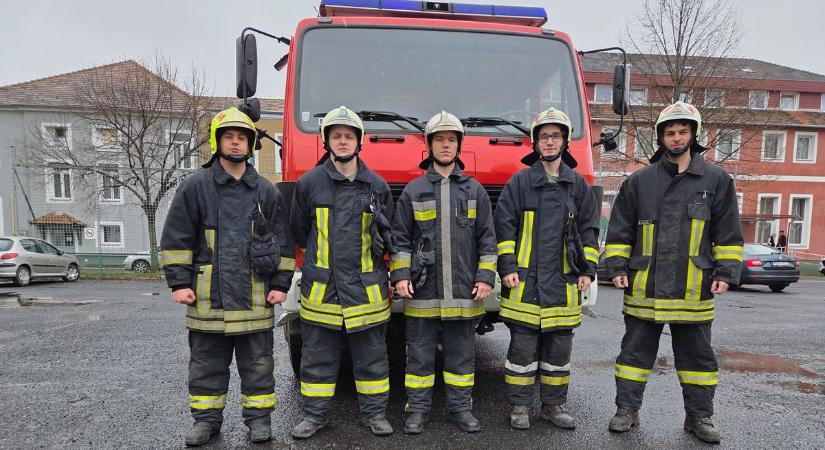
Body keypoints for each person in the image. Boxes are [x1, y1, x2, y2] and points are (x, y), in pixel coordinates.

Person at [604, 101, 744, 444]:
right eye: (670, 132)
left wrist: (726, 270)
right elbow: (620, 231)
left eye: (682, 131)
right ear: (660, 137)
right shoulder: (639, 182)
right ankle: (627, 410)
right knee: (633, 356)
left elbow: (727, 233)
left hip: (693, 288)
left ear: (693, 135)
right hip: (645, 286)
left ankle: (698, 417)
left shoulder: (717, 180)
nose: (676, 137)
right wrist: (617, 267)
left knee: (697, 359)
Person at [160, 107, 295, 446]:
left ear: (250, 144)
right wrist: (178, 282)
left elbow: (285, 243)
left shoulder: (267, 191)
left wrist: (280, 285)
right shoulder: (194, 187)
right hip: (208, 298)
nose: (235, 143)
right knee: (206, 366)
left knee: (259, 367)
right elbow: (176, 237)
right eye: (229, 137)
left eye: (242, 138)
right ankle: (206, 422)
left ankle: (259, 422)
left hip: (255, 297)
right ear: (217, 141)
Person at [289, 106, 395, 439]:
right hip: (322, 290)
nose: (343, 141)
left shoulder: (376, 185)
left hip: (366, 292)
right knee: (317, 359)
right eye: (337, 136)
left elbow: (386, 235)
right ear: (327, 141)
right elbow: (298, 230)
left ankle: (375, 415)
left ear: (359, 141)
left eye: (349, 136)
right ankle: (315, 417)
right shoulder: (309, 184)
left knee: (373, 360)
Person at [390, 111, 497, 434]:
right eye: (440, 140)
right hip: (423, 292)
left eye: (451, 140)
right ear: (430, 145)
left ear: (459, 145)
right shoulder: (414, 190)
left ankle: (460, 409)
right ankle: (417, 411)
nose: (446, 145)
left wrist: (484, 277)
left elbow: (487, 240)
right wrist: (402, 276)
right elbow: (400, 239)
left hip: (464, 292)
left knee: (461, 358)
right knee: (419, 358)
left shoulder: (475, 191)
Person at [494, 108, 600, 430]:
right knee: (522, 352)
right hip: (525, 284)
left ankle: (553, 408)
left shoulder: (577, 186)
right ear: (535, 143)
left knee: (558, 353)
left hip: (564, 285)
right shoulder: (520, 183)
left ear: (565, 141)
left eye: (555, 136)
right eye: (544, 137)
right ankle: (519, 408)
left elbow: (590, 231)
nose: (549, 141)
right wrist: (508, 266)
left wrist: (587, 270)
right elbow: (505, 228)